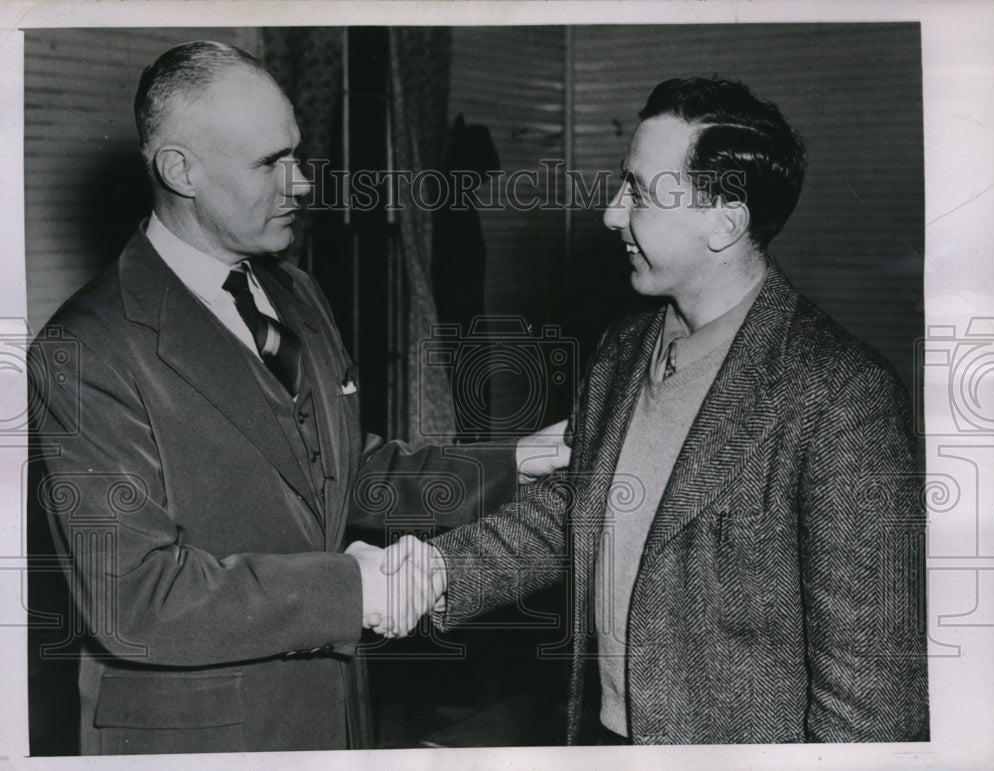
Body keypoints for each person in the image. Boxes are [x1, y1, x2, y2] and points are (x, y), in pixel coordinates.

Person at [28, 41, 568, 755]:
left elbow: (345, 474)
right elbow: (134, 597)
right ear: (179, 169)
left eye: (298, 154)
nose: (303, 182)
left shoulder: (293, 292)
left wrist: (507, 464)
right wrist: (356, 590)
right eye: (270, 163)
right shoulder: (86, 348)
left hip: (332, 715)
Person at [374, 77, 928, 744]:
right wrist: (433, 572)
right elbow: (572, 511)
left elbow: (871, 704)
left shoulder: (844, 397)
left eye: (637, 191)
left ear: (725, 220)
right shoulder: (624, 347)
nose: (612, 214)